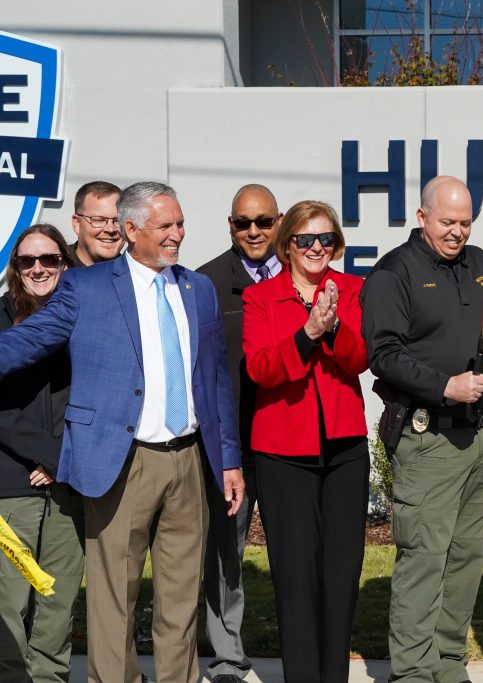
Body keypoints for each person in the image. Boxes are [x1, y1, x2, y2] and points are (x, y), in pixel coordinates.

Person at [0, 181, 245, 683]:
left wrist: (229, 460)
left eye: (179, 223)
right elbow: (31, 338)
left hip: (188, 460)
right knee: (115, 601)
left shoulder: (197, 289)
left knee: (180, 601)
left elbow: (215, 381)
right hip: (119, 461)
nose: (177, 234)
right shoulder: (86, 287)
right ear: (131, 230)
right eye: (165, 226)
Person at [361, 176, 483, 683]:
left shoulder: (482, 265)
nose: (458, 232)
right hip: (428, 437)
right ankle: (411, 671)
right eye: (448, 222)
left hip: (480, 435)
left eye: (465, 222)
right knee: (424, 558)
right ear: (422, 216)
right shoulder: (394, 273)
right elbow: (382, 355)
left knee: (467, 555)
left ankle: (449, 664)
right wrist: (444, 386)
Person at [242, 200, 368, 683]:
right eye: (304, 239)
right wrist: (306, 333)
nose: (316, 248)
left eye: (325, 239)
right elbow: (260, 369)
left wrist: (330, 325)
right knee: (295, 579)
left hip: (344, 450)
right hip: (282, 452)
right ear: (286, 245)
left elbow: (359, 360)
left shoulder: (352, 289)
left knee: (340, 578)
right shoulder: (261, 298)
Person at [196, 183, 283, 683]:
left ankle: (304, 652)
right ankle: (228, 656)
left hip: (287, 443)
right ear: (230, 226)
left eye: (263, 221)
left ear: (278, 222)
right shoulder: (207, 283)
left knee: (294, 554)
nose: (253, 231)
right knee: (226, 554)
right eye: (242, 223)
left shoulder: (299, 274)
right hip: (233, 448)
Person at [0, 225, 82, 683]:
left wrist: (61, 461)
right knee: (8, 603)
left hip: (68, 482)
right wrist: (46, 455)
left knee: (57, 602)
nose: (38, 269)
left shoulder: (82, 322)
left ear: (64, 264)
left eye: (49, 259)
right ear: (15, 268)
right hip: (11, 485)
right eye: (27, 261)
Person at [69, 181, 123, 266]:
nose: (111, 229)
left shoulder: (136, 274)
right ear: (77, 224)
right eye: (99, 220)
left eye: (118, 220)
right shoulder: (52, 269)